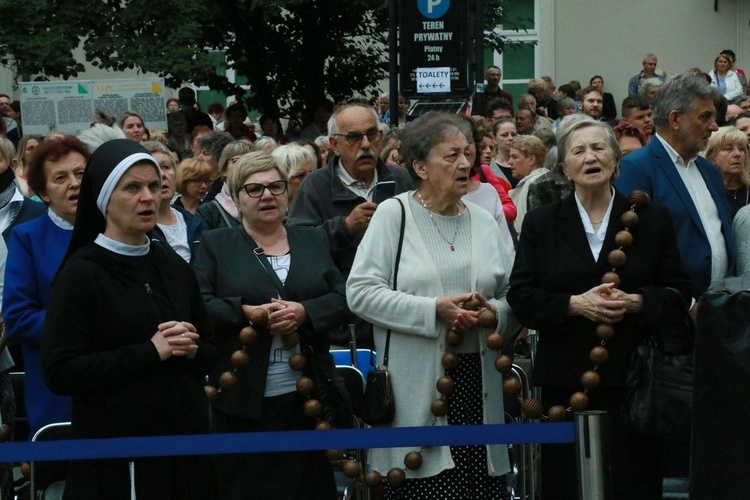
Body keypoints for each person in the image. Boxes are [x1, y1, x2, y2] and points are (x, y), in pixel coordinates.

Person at [508, 117, 692, 500]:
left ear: (615, 160)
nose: (590, 157)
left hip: (634, 381)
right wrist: (574, 305)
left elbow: (680, 292)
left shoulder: (650, 219)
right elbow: (521, 296)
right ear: (563, 167)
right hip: (565, 378)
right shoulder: (542, 223)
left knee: (633, 482)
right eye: (578, 151)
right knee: (567, 484)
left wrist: (637, 302)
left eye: (599, 148)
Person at [347, 111, 518, 498]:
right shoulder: (395, 214)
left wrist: (494, 315)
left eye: (468, 153)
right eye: (451, 155)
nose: (464, 163)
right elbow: (359, 292)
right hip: (417, 390)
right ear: (420, 166)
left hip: (480, 389)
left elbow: (513, 293)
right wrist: (433, 310)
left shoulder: (483, 220)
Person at [40, 139, 217, 498]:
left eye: (153, 186)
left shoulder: (173, 266)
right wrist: (150, 352)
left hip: (185, 449)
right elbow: (60, 371)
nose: (148, 197)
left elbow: (212, 350)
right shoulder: (81, 274)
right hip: (118, 457)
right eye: (132, 188)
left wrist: (193, 348)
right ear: (104, 198)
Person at [192, 151, 349, 499]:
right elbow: (198, 305)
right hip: (241, 398)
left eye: (276, 187)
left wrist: (304, 312)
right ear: (235, 198)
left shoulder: (312, 239)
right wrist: (246, 311)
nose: (267, 196)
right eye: (254, 189)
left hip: (308, 398)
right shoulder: (217, 244)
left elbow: (344, 299)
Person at [287, 103, 413, 347]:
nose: (366, 145)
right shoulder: (315, 186)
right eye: (354, 137)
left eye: (372, 135)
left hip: (397, 318)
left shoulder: (402, 179)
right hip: (343, 327)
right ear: (334, 144)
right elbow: (297, 247)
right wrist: (344, 227)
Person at [617, 71, 734, 302]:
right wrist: (686, 306)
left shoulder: (710, 171)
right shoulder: (636, 168)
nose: (714, 127)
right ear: (675, 119)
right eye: (705, 117)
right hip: (670, 318)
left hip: (720, 313)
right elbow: (633, 249)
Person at [3, 136, 89, 440]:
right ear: (43, 192)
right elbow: (17, 317)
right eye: (61, 178)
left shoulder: (118, 230)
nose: (75, 184)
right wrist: (88, 327)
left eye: (81, 174)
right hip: (58, 389)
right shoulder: (29, 237)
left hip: (119, 386)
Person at [142, 141, 205, 262]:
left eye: (166, 167)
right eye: (154, 168)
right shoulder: (137, 230)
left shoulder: (196, 223)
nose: (162, 174)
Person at [196, 139, 254, 230]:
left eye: (249, 161)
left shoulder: (264, 202)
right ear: (223, 170)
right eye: (236, 160)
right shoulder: (209, 211)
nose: (244, 166)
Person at [703, 126, 750, 218]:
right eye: (728, 149)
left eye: (741, 149)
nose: (737, 154)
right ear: (711, 157)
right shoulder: (703, 191)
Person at [508, 135, 548, 234]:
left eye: (515, 157)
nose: (510, 162)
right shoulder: (547, 179)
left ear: (531, 159)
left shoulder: (532, 184)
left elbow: (522, 228)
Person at [490, 118, 519, 188]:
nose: (510, 138)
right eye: (504, 135)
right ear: (494, 139)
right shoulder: (490, 168)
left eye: (514, 134)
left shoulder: (525, 163)